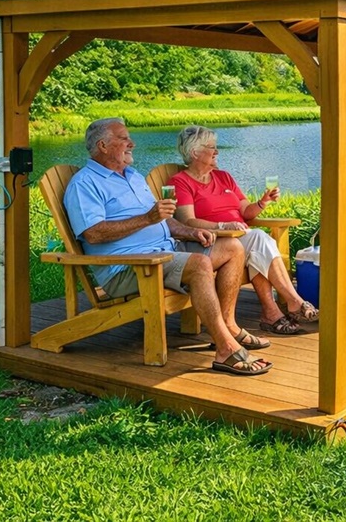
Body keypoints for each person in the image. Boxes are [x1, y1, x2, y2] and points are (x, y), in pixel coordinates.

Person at [63, 118, 272, 376]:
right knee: (199, 264)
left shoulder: (133, 176)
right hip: (130, 267)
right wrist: (147, 218)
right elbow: (93, 234)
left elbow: (162, 218)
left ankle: (227, 325)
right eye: (124, 138)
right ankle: (226, 349)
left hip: (165, 251)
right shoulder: (85, 184)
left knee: (232, 247)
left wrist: (190, 231)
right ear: (103, 146)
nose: (132, 143)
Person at [167, 125, 318, 335]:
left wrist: (263, 202)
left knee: (256, 246)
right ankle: (294, 301)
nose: (217, 151)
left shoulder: (224, 177)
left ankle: (272, 312)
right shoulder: (180, 182)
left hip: (241, 240)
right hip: (211, 243)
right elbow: (187, 221)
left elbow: (246, 211)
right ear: (195, 152)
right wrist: (223, 226)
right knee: (258, 239)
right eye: (211, 147)